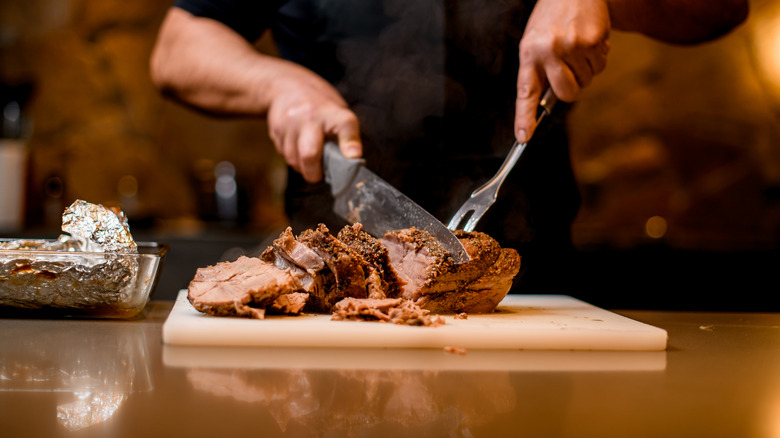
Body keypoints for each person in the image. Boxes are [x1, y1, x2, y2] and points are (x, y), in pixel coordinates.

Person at [150, 0, 748, 292]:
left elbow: (719, 9)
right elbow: (177, 48)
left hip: (531, 292)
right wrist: (275, 83)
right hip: (332, 289)